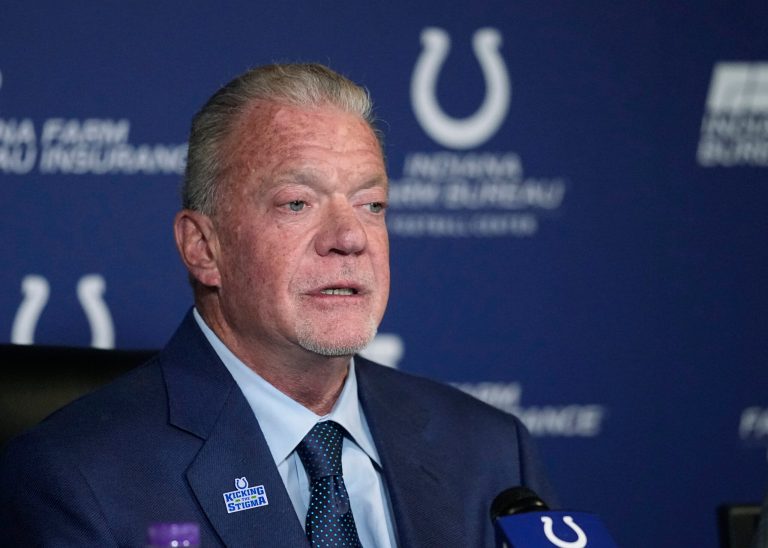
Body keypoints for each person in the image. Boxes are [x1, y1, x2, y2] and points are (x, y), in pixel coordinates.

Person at [0, 63, 555, 546]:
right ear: (204, 247)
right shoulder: (77, 478)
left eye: (371, 203)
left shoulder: (492, 454)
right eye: (297, 203)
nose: (349, 236)